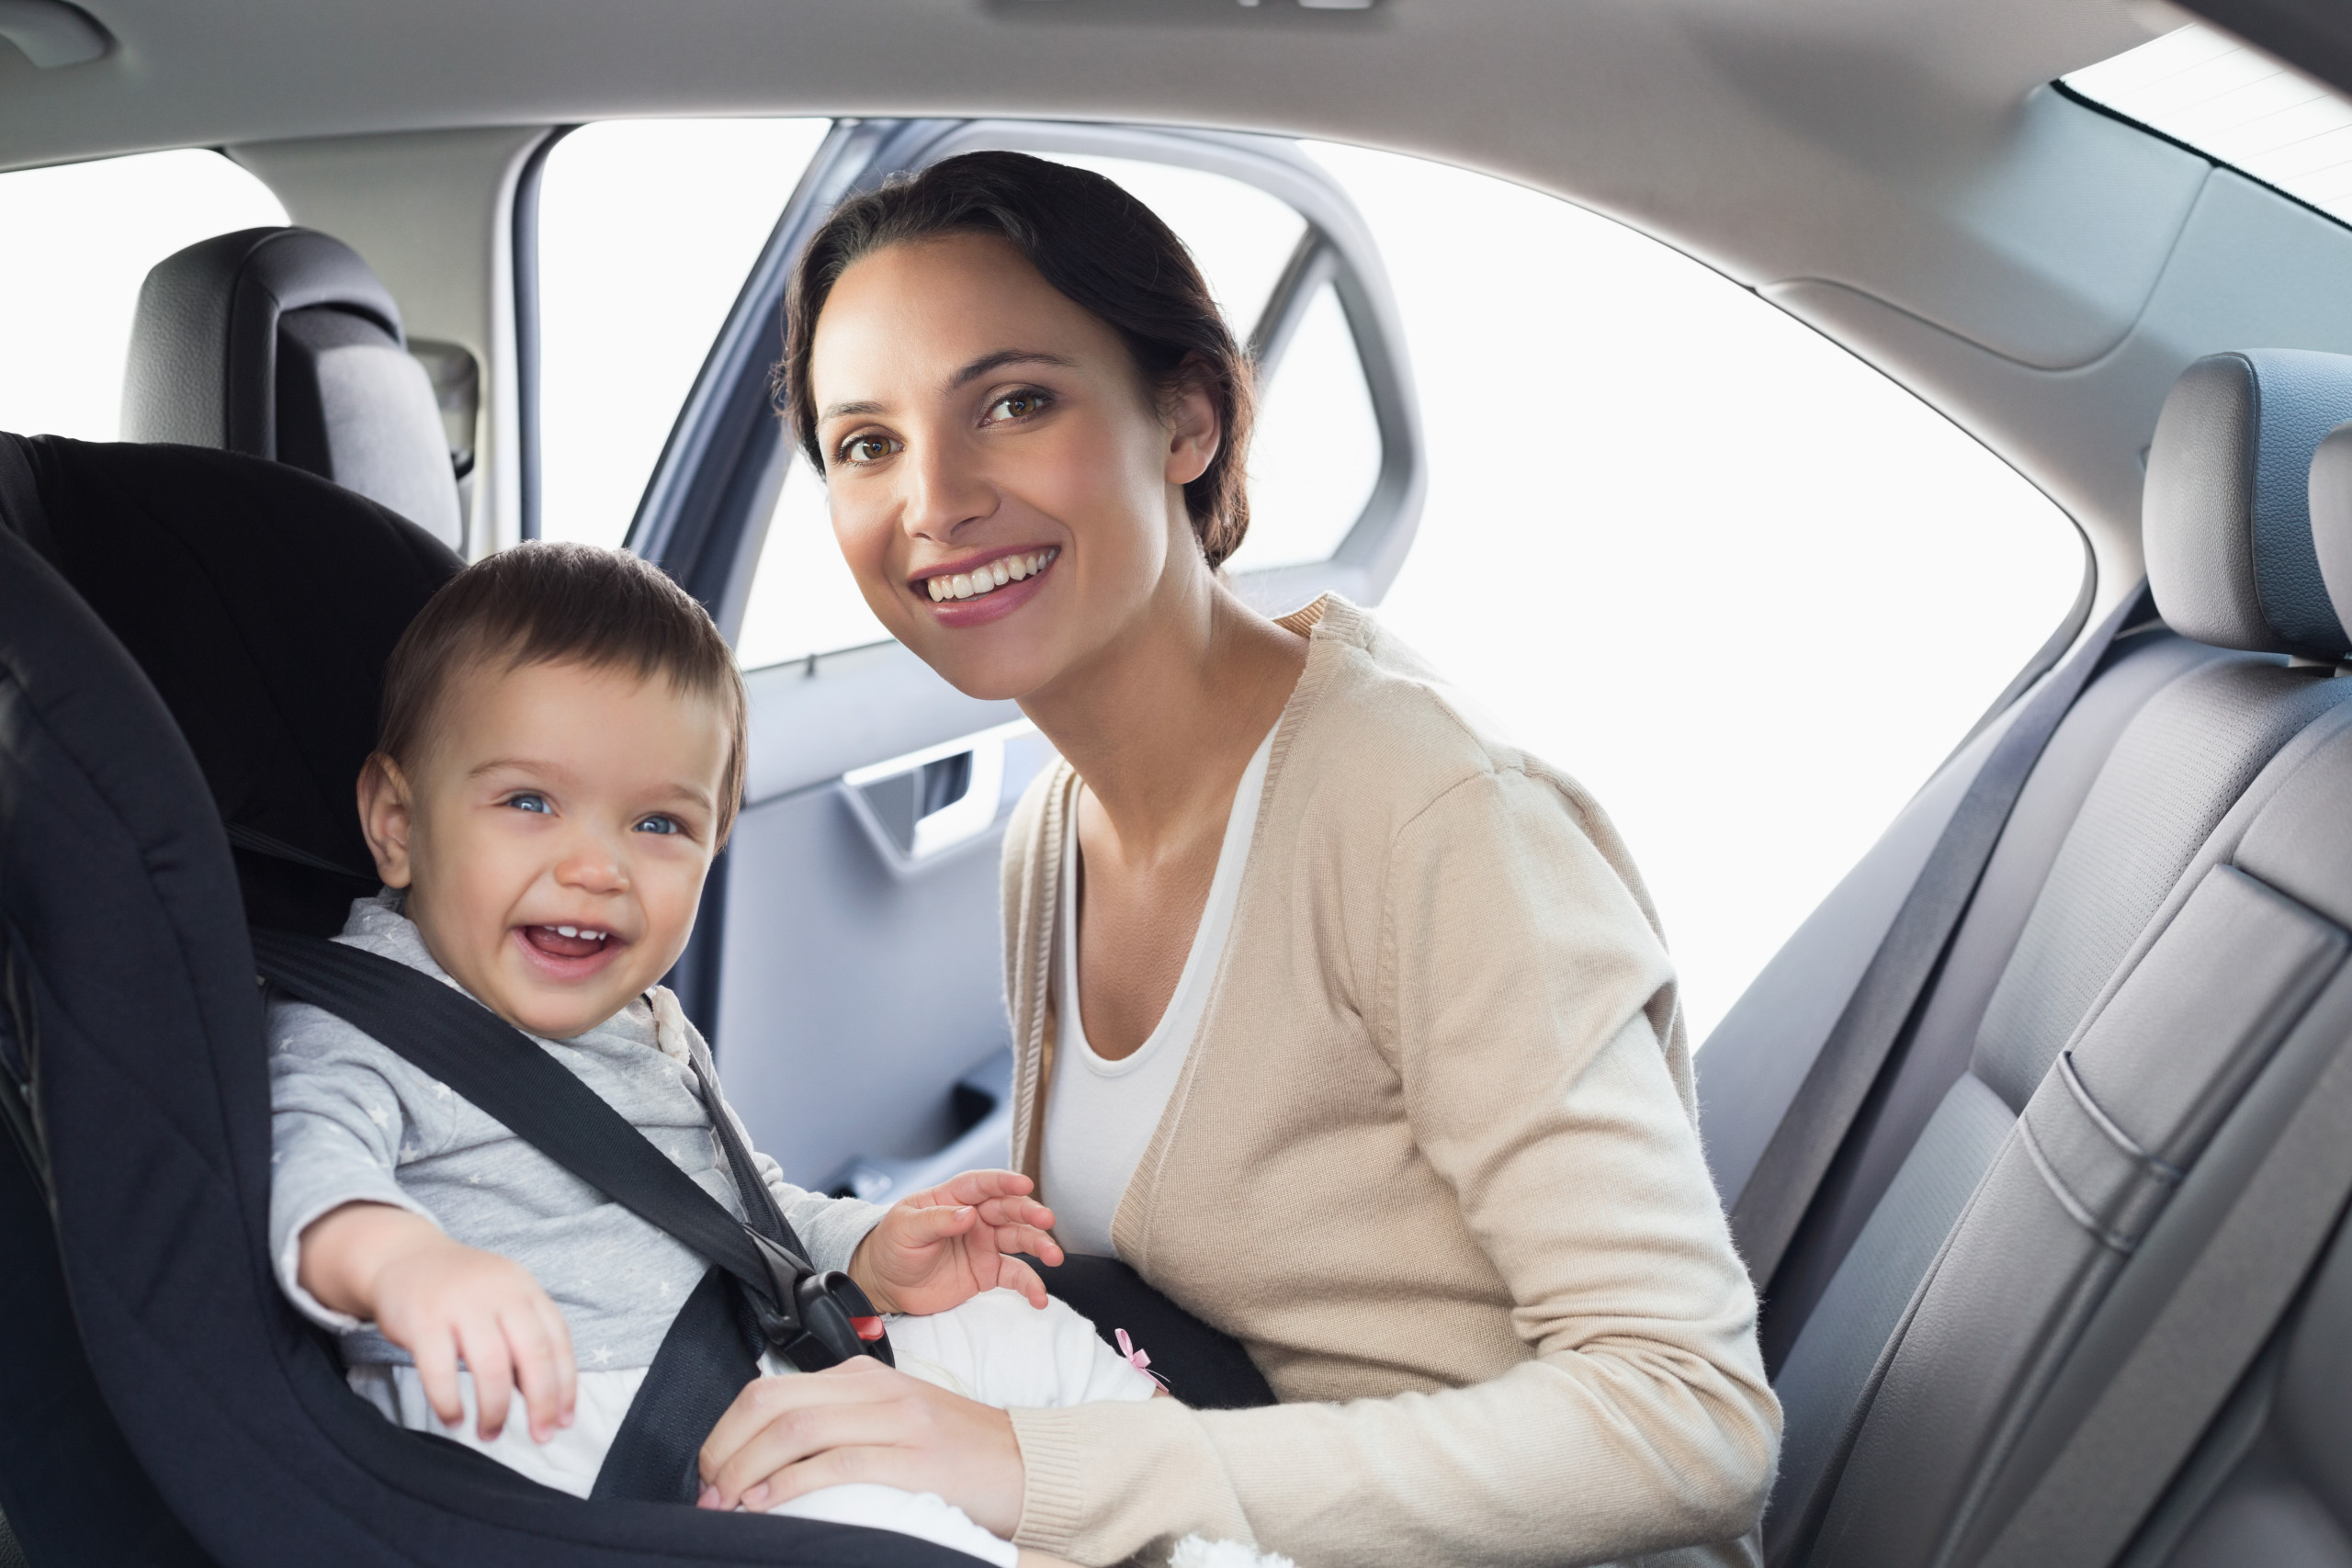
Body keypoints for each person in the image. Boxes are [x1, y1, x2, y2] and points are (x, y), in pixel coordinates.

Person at [694, 152, 1781, 1566]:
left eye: (1015, 402)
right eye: (868, 443)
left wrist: (1039, 1463)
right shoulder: (1053, 834)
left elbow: (1692, 1414)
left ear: (1187, 420)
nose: (937, 499)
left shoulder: (1430, 812)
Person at [266, 541, 1164, 1568]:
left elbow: (746, 1211)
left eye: (658, 823)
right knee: (917, 1538)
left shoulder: (640, 1018)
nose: (596, 867)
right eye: (528, 803)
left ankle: (1219, 1534)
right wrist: (403, 1262)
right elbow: (305, 1165)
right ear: (396, 823)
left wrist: (867, 1248)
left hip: (754, 1369)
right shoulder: (361, 1024)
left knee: (1018, 1332)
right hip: (587, 1443)